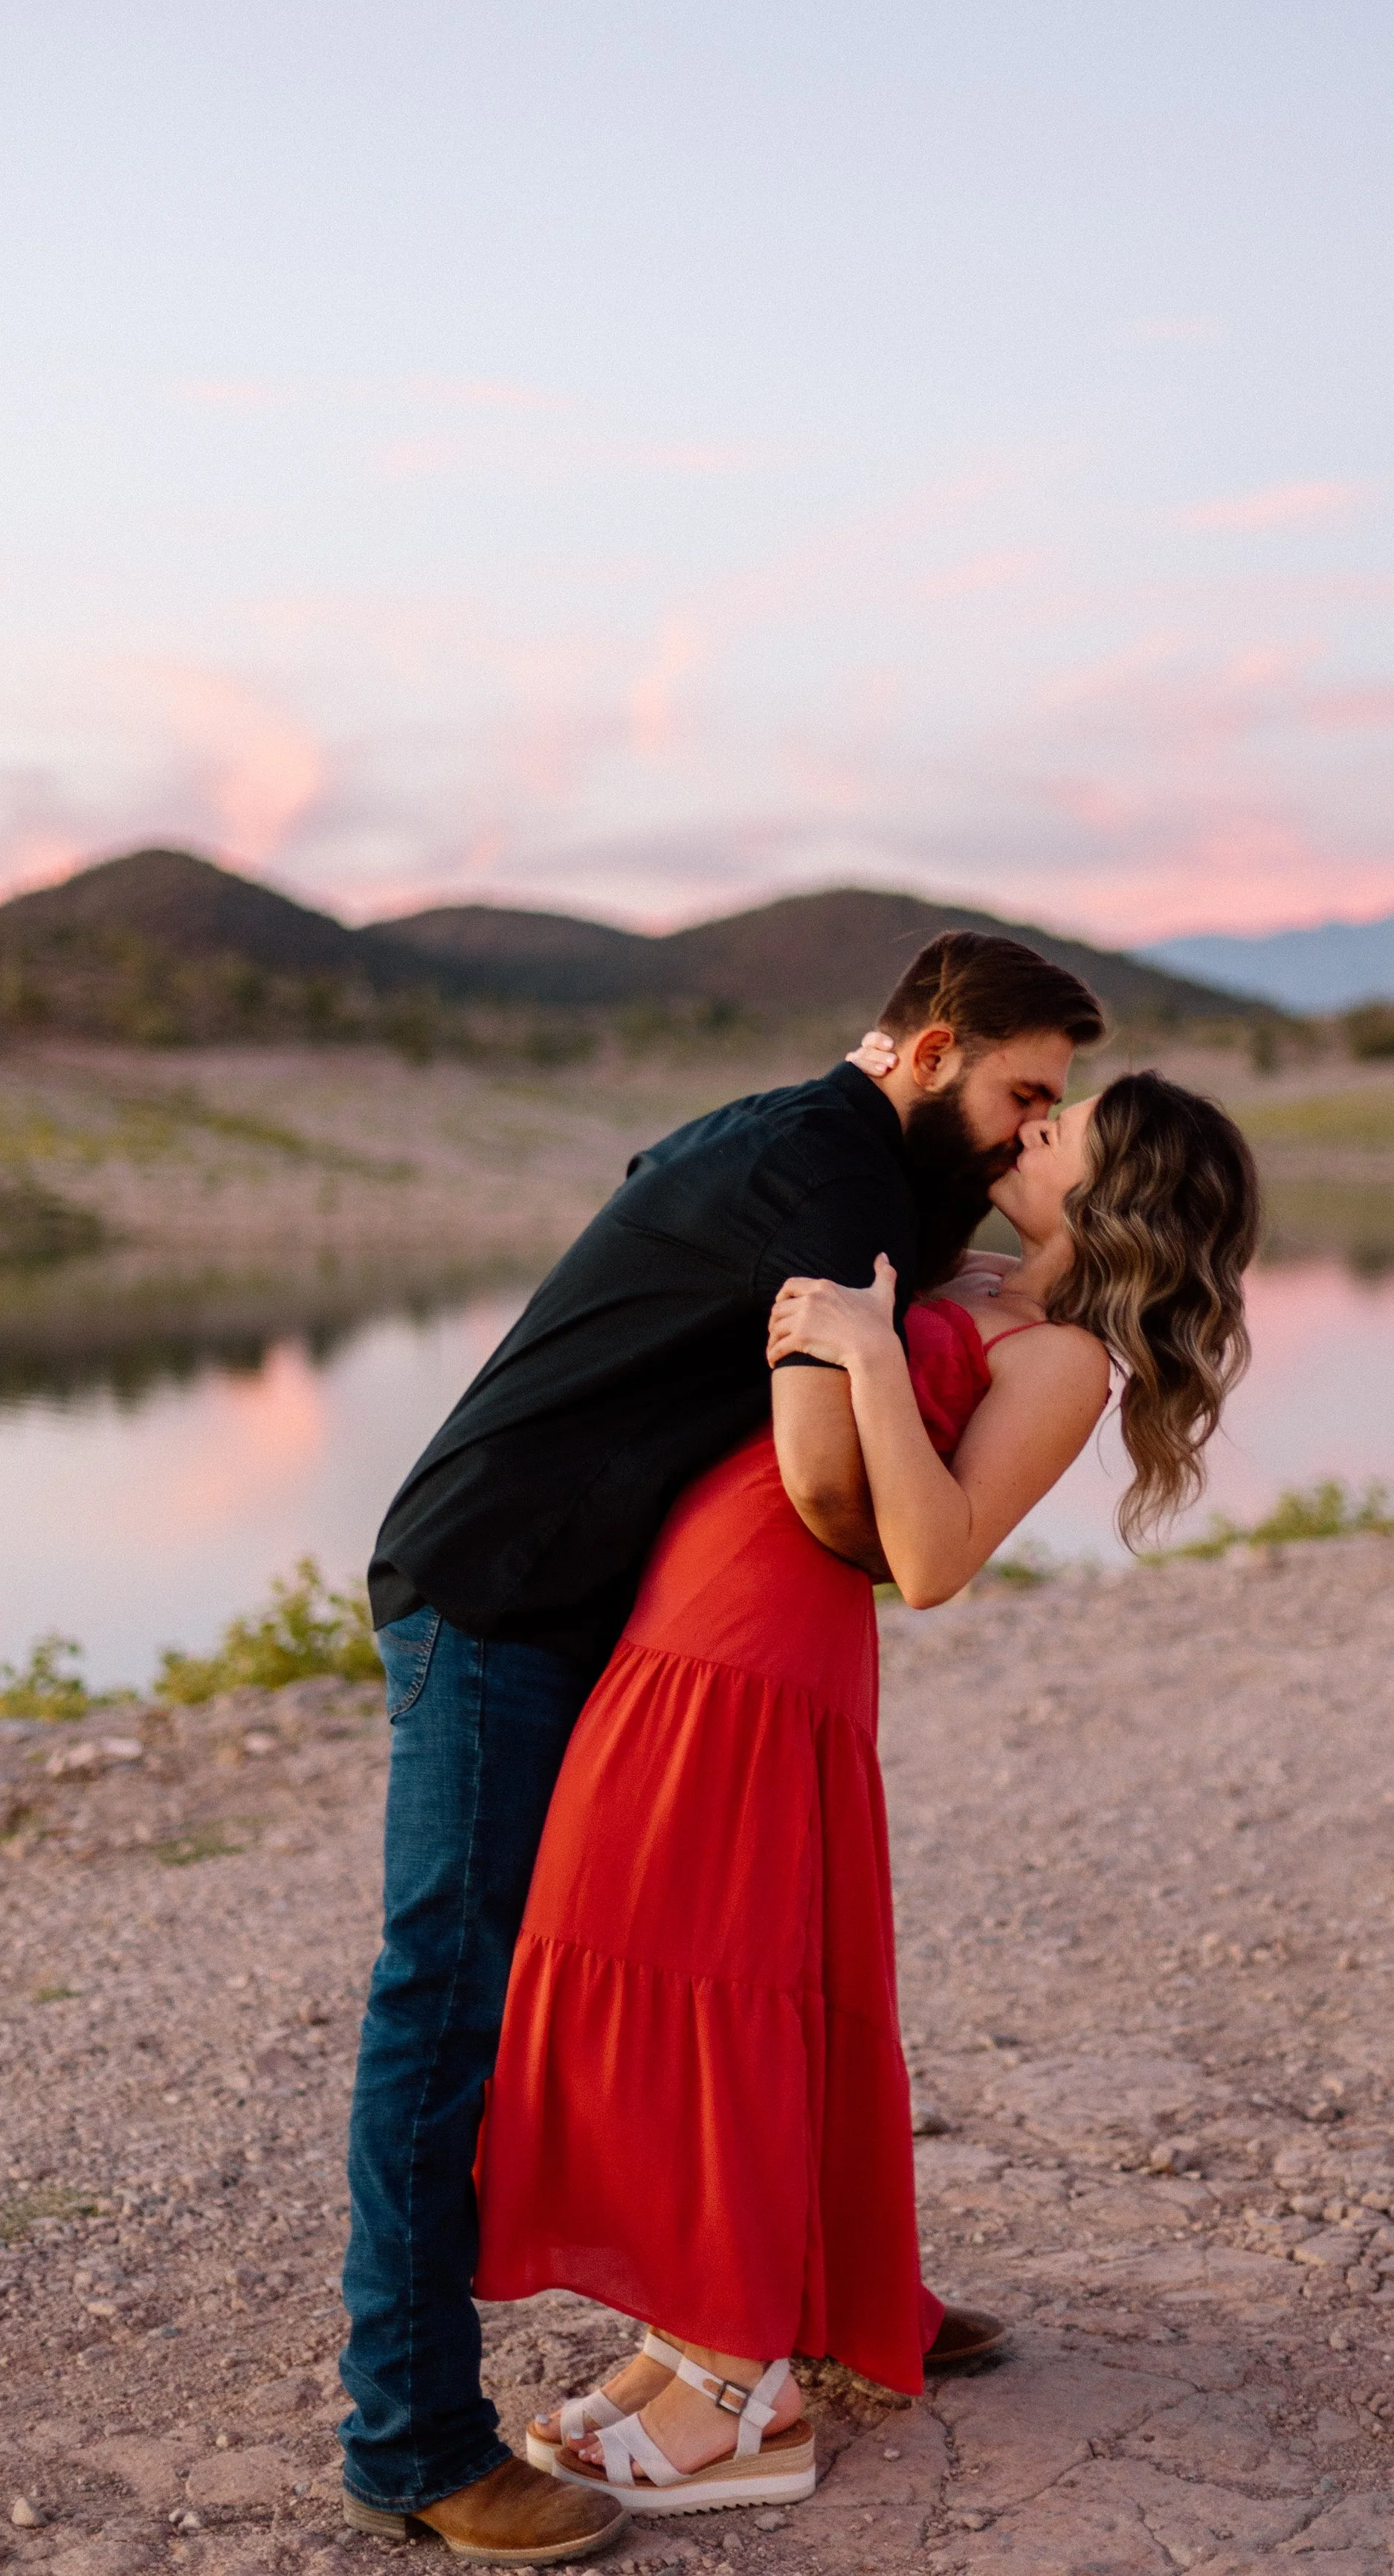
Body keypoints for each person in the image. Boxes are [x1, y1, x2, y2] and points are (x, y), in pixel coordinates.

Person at [338, 930, 1106, 2564]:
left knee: (767, 1949)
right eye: (1018, 1095)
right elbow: (833, 1491)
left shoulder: (825, 1160)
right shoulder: (820, 1168)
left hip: (585, 1607)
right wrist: (880, 1522)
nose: (1025, 1133)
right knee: (448, 2002)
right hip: (495, 1600)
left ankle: (846, 2291)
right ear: (928, 1047)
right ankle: (408, 2443)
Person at [469, 1063, 1258, 2521]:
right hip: (686, 1611)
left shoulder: (1066, 1356)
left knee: (715, 1977)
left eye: (1057, 1130)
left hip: (771, 1655)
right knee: (634, 1944)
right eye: (1036, 1108)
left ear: (1113, 1192)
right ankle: (685, 2337)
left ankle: (740, 2391)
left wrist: (876, 1360)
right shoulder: (960, 1268)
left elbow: (936, 1555)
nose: (1027, 1131)